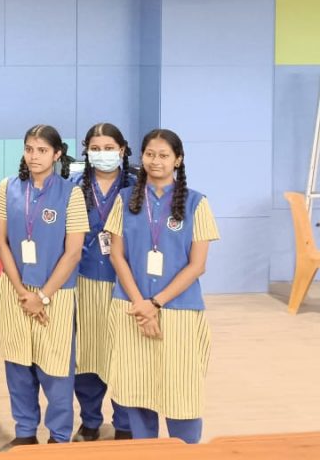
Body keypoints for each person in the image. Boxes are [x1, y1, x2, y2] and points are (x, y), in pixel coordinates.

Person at [105, 129, 219, 445]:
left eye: (164, 155)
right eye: (150, 154)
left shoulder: (197, 203)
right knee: (137, 390)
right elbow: (117, 255)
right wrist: (141, 304)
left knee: (182, 392)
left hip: (179, 311)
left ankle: (187, 451)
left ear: (178, 160)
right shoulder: (124, 200)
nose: (156, 161)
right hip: (131, 308)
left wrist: (155, 303)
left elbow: (197, 265)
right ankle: (146, 450)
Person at [0, 124, 88, 446]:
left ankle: (59, 439)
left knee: (56, 371)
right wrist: (23, 292)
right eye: (29, 149)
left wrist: (43, 296)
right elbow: (1, 241)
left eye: (43, 150)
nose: (34, 156)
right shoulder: (8, 187)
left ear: (57, 154)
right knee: (18, 366)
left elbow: (73, 252)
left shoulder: (71, 193)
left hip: (56, 295)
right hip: (16, 292)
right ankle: (25, 434)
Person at [71, 123, 136, 442]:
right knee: (88, 355)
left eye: (109, 148)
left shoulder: (136, 187)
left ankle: (125, 423)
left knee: (124, 355)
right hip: (84, 282)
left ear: (122, 150)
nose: (102, 154)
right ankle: (90, 420)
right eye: (95, 149)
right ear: (86, 151)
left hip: (126, 285)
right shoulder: (73, 187)